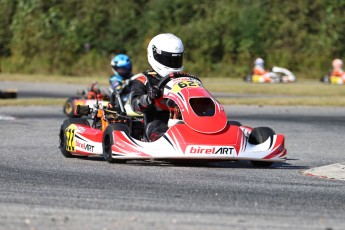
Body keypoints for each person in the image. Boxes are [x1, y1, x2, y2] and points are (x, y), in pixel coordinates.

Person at [130, 33, 184, 141]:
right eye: (168, 59)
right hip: (156, 122)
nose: (172, 64)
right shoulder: (143, 80)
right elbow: (135, 104)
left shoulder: (184, 79)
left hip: (185, 121)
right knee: (158, 125)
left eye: (176, 60)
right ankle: (167, 140)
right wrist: (148, 98)